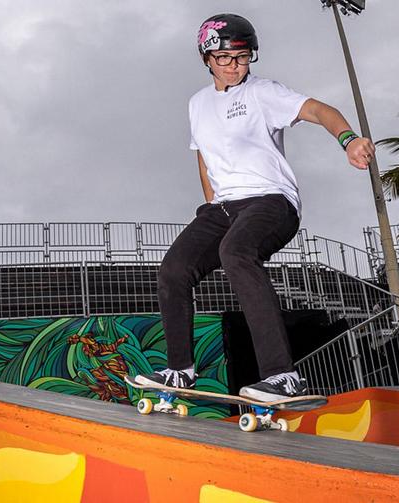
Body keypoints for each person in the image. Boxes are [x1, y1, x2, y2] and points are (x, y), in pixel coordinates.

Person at [134, 13, 374, 402]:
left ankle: (282, 376)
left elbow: (317, 110)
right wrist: (211, 202)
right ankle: (180, 370)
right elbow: (203, 156)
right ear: (207, 58)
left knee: (237, 252)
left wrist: (347, 139)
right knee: (174, 269)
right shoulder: (197, 104)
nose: (234, 67)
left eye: (243, 58)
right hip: (224, 207)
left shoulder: (264, 92)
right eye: (225, 59)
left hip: (272, 200)